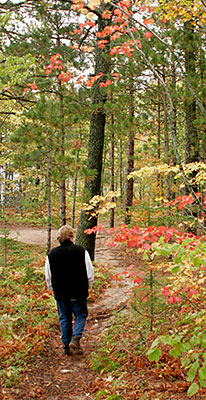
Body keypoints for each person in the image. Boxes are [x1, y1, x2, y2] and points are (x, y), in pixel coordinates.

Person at [45, 224, 94, 356]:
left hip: (61, 293)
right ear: (72, 236)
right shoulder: (81, 251)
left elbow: (48, 276)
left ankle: (66, 345)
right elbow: (89, 273)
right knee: (81, 315)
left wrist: (52, 288)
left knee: (64, 318)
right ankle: (76, 338)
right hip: (79, 291)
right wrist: (88, 285)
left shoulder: (52, 254)